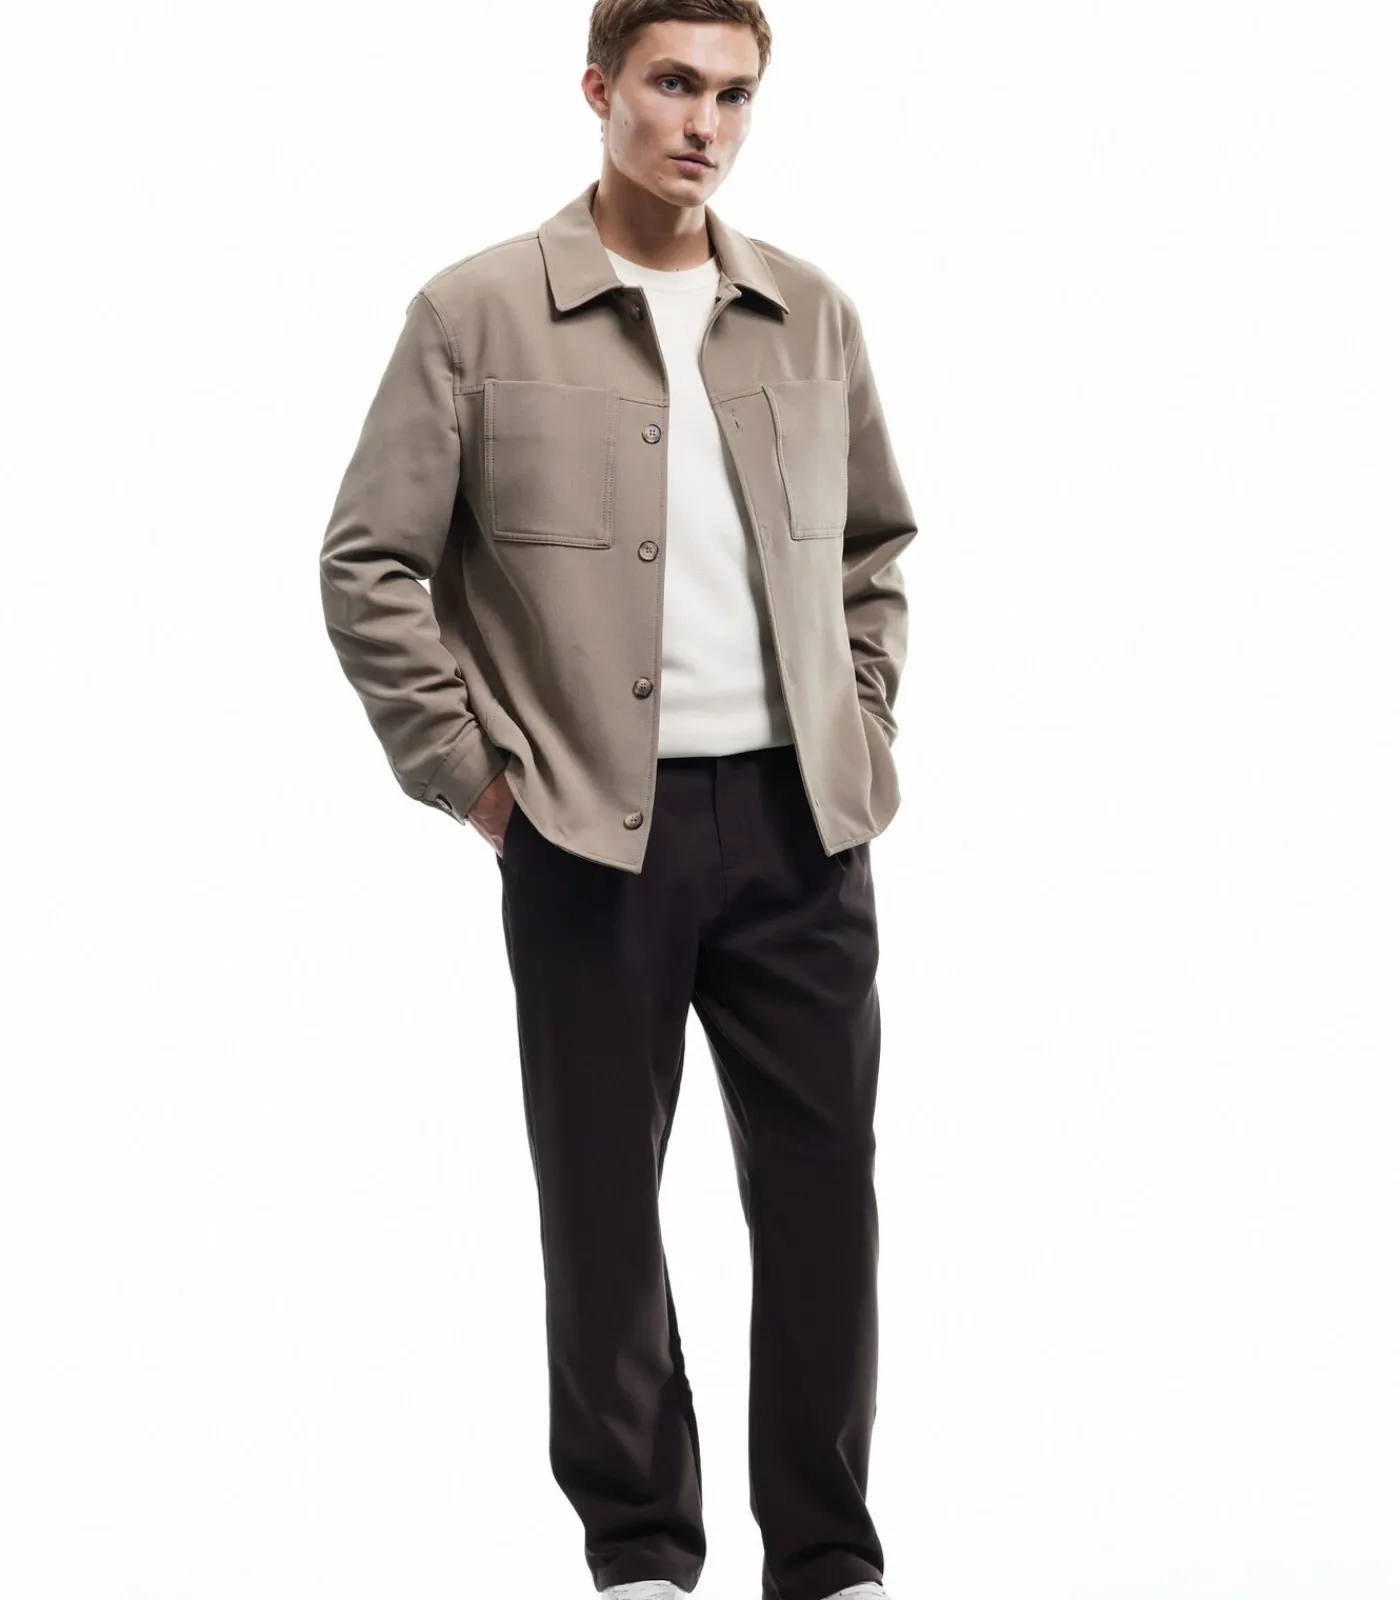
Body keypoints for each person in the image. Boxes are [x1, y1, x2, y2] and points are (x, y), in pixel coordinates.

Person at [319, 2, 917, 1596]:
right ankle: (642, 1550)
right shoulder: (475, 313)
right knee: (601, 1206)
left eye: (735, 93)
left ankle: (828, 1558)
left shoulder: (810, 314)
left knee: (823, 1205)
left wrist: (861, 726)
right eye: (672, 84)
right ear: (600, 88)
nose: (704, 122)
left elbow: (873, 550)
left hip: (801, 832)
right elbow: (369, 564)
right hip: (589, 834)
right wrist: (475, 781)